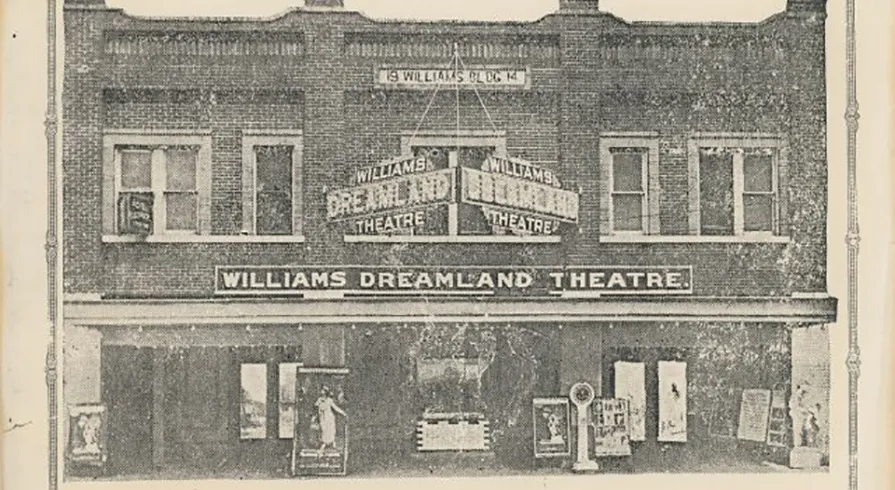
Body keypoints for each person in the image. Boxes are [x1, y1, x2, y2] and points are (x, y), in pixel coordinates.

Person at [315, 386, 346, 451]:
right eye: (321, 390)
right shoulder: (319, 400)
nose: (322, 392)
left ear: (326, 392)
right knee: (323, 430)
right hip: (322, 418)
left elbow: (335, 408)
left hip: (329, 418)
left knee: (330, 430)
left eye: (323, 391)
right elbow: (316, 407)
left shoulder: (329, 400)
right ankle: (325, 443)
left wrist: (342, 413)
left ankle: (331, 443)